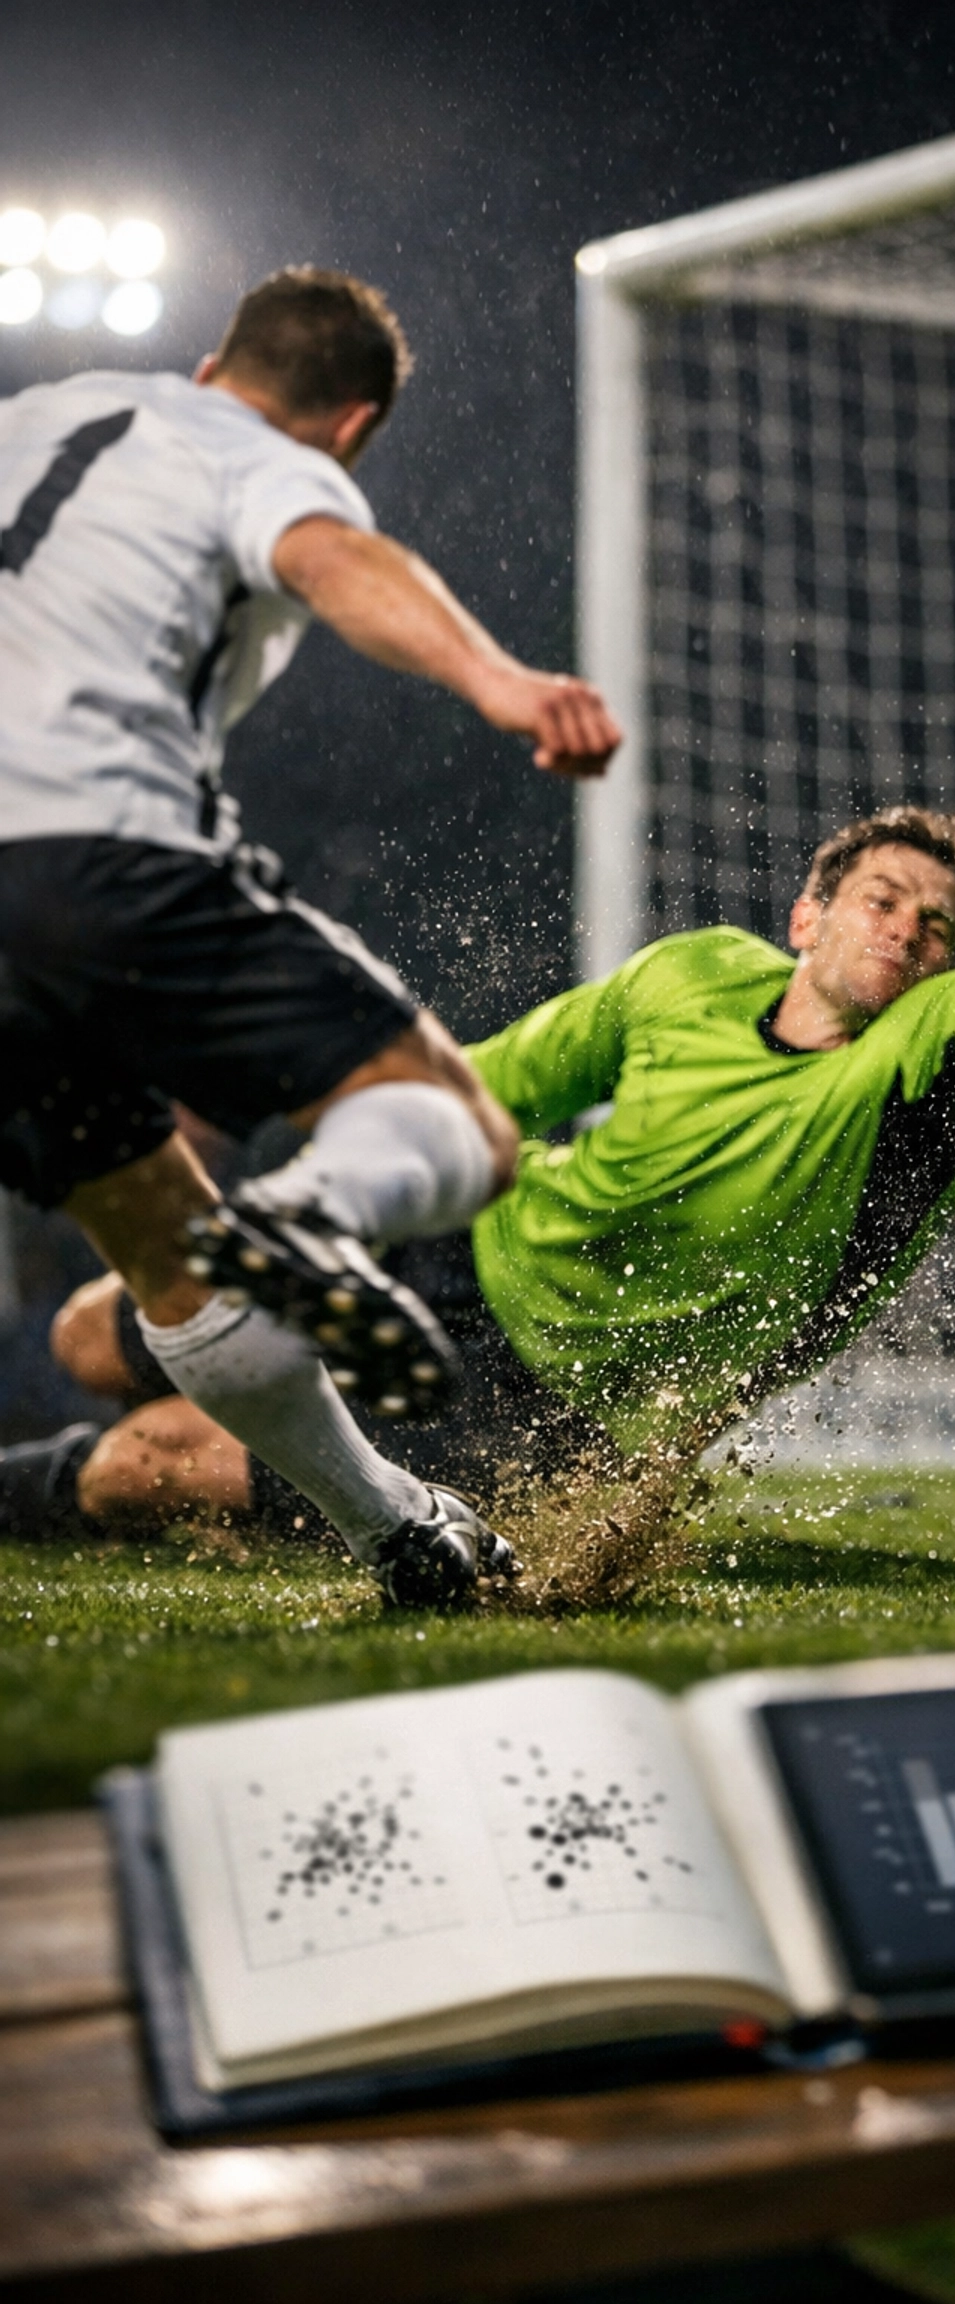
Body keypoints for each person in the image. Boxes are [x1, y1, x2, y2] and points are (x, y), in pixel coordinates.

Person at [6, 683, 955, 1564]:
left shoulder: (927, 1070)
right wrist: (323, 1164)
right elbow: (484, 1086)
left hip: (548, 1414)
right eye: (884, 900)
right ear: (808, 914)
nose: (911, 931)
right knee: (92, 1323)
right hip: (461, 1252)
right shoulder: (688, 973)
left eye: (937, 925)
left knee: (155, 1465)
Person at [0, 265, 621, 1607]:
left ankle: (399, 1527)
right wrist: (502, 680)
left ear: (223, 355)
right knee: (458, 1128)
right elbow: (335, 561)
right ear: (347, 427)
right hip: (89, 852)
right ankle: (314, 1216)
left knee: (168, 1255)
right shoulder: (258, 459)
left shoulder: (40, 415)